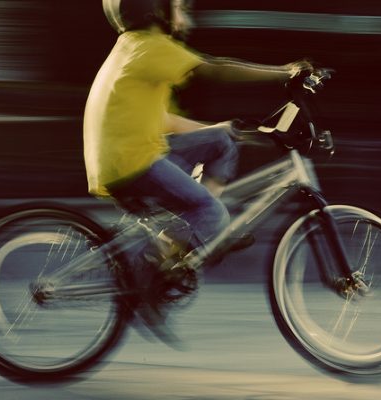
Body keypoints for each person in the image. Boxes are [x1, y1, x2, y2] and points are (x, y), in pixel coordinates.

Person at [84, 0, 311, 339]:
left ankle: (193, 229)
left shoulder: (132, 49)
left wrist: (215, 129)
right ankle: (150, 267)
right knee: (212, 213)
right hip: (134, 162)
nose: (185, 16)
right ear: (155, 11)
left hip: (127, 155)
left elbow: (160, 119)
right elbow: (215, 70)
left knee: (221, 141)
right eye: (179, 7)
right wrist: (284, 72)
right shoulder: (151, 45)